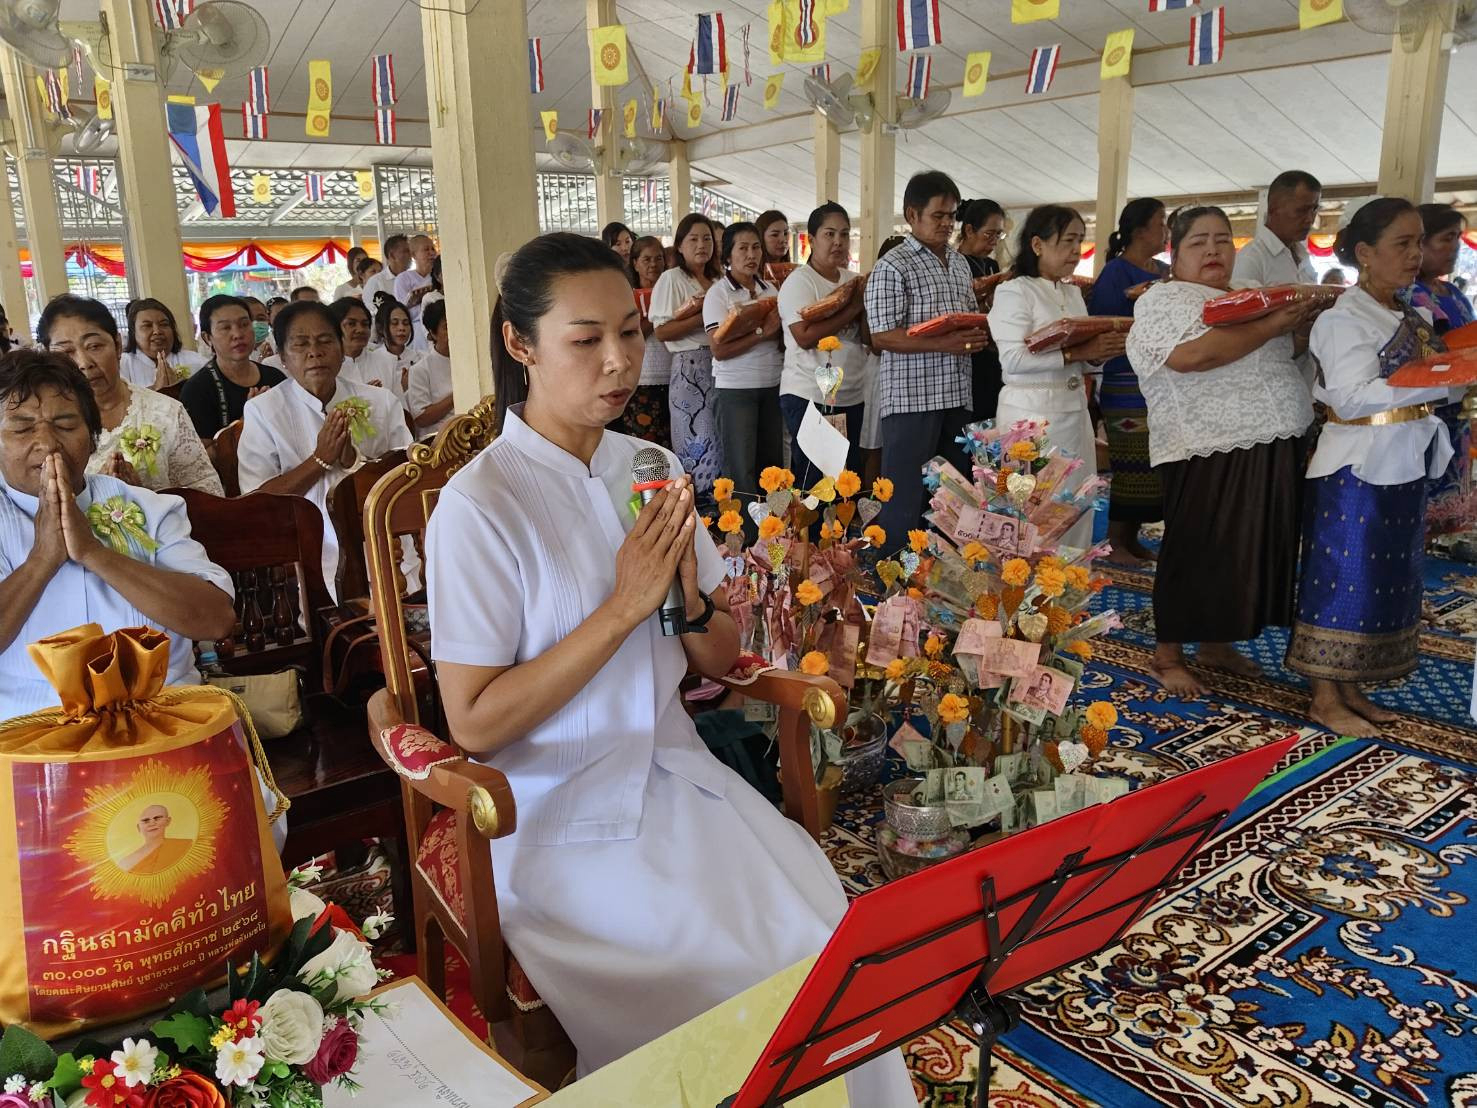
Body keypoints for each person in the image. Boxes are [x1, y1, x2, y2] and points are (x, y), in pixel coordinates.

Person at [424, 232, 916, 1104]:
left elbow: (720, 655)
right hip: (554, 817)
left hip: (674, 778)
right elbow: (474, 722)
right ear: (519, 344)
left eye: (630, 332)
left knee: (824, 944)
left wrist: (686, 602)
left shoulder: (645, 467)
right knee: (737, 978)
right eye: (585, 340)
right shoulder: (480, 506)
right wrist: (622, 607)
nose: (618, 363)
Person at [1286, 198, 1457, 736]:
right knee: (1340, 580)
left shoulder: (1405, 313)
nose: (1415, 254)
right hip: (1356, 467)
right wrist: (1446, 380)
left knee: (1385, 577)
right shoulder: (1344, 319)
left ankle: (1349, 685)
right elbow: (1353, 397)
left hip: (1402, 460)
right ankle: (1322, 697)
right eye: (1401, 244)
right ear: (1365, 252)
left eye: (1418, 242)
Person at [1126, 206, 1314, 697]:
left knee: (1245, 551)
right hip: (1204, 447)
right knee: (1199, 548)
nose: (1213, 250)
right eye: (1198, 242)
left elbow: (1273, 355)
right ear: (1174, 252)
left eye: (1223, 240)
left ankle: (1216, 643)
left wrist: (1298, 328)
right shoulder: (1164, 300)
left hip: (1270, 439)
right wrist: (1273, 327)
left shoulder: (1245, 298)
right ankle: (1167, 655)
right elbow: (1194, 356)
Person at [0, 350, 236, 717]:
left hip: (166, 720)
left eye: (65, 424)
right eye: (21, 427)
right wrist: (41, 561)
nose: (47, 443)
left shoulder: (149, 509)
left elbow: (216, 620)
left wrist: (96, 553)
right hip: (32, 738)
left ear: (94, 438)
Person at [237, 301, 412, 601]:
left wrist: (354, 462)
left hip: (385, 540)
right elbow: (257, 503)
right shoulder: (263, 412)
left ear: (341, 349)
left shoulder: (380, 402)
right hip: (308, 550)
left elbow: (408, 476)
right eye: (300, 344)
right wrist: (320, 460)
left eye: (324, 341)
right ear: (282, 358)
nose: (314, 352)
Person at [990, 205, 1124, 551]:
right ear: (1037, 245)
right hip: (1031, 415)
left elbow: (1081, 359)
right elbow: (1014, 359)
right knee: (1032, 510)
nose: (1076, 251)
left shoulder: (1073, 293)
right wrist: (1077, 353)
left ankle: (1068, 593)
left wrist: (1098, 352)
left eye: (1080, 240)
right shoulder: (1014, 291)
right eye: (1067, 241)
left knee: (1076, 506)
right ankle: (1028, 595)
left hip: (1074, 410)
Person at [865, 171, 985, 540]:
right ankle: (897, 583)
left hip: (956, 393)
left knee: (952, 493)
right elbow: (882, 335)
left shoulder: (960, 262)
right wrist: (942, 343)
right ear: (912, 215)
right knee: (905, 496)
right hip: (912, 399)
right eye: (939, 215)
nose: (948, 224)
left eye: (952, 215)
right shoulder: (893, 266)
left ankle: (941, 576)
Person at [40, 296, 222, 495]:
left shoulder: (165, 412)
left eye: (94, 346)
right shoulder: (41, 426)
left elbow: (209, 492)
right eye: (67, 352)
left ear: (117, 345)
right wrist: (95, 493)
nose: (84, 363)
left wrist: (145, 496)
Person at [1087, 198, 1168, 563]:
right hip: (1124, 377)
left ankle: (1132, 538)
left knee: (1150, 464)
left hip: (1159, 376)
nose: (1166, 231)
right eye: (1160, 223)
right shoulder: (1116, 273)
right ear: (1138, 231)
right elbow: (1102, 322)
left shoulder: (1165, 271)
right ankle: (1116, 543)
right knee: (1129, 462)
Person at [778, 202, 870, 486]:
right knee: (816, 482)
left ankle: (840, 533)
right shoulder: (799, 282)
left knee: (846, 480)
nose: (838, 242)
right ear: (812, 238)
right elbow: (804, 337)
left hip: (853, 395)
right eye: (829, 234)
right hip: (809, 396)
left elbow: (868, 339)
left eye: (844, 234)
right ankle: (811, 532)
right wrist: (852, 309)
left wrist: (864, 308)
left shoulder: (855, 281)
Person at [704, 223, 784, 513]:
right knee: (741, 468)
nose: (751, 255)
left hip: (772, 384)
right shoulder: (719, 293)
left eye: (756, 247)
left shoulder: (769, 288)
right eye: (743, 248)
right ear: (728, 255)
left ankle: (774, 534)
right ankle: (746, 540)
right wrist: (763, 331)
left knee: (772, 466)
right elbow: (719, 349)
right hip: (736, 389)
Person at [651, 214, 721, 495]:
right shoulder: (671, 279)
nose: (701, 245)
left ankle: (723, 505)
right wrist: (705, 316)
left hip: (720, 363)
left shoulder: (719, 280)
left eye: (707, 238)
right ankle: (699, 507)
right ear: (679, 245)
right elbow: (662, 330)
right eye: (693, 239)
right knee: (697, 437)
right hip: (690, 368)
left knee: (720, 435)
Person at [180, 295, 286, 441]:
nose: (237, 334)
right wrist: (246, 420)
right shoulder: (197, 390)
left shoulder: (275, 377)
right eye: (225, 328)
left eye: (244, 324)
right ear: (207, 338)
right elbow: (203, 456)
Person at [609, 235, 672, 445]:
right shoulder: (626, 297)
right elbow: (630, 334)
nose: (654, 264)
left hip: (674, 377)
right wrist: (656, 317)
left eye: (659, 258)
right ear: (635, 263)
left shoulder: (673, 292)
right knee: (646, 444)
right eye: (646, 259)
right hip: (643, 380)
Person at [955, 198, 1007, 423]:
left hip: (992, 351)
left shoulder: (992, 265)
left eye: (999, 235)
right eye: (989, 234)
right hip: (968, 352)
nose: (994, 241)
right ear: (969, 230)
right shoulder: (955, 263)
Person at [1233, 170, 1323, 289]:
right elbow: (1241, 307)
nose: (1310, 219)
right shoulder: (1251, 259)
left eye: (1314, 210)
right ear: (1273, 209)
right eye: (1301, 211)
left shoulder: (1302, 256)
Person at [121, 299, 209, 390]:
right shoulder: (122, 365)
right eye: (147, 326)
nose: (157, 331)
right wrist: (156, 388)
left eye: (164, 324)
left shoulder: (197, 362)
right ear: (133, 332)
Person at [407, 299, 454, 438]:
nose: (454, 331)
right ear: (433, 333)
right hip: (439, 440)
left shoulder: (470, 359)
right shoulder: (420, 370)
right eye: (447, 326)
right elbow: (421, 418)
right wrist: (457, 394)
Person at [331, 297, 397, 390]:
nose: (360, 330)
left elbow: (399, 403)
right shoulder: (328, 369)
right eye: (351, 324)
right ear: (334, 328)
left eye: (365, 324)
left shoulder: (386, 362)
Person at [120, 803, 194, 874]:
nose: (152, 823)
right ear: (139, 827)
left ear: (168, 821)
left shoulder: (185, 846)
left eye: (157, 818)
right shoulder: (126, 862)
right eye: (145, 821)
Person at [374, 297, 418, 404]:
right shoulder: (373, 361)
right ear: (381, 328)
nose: (401, 328)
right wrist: (400, 388)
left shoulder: (420, 358)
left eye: (406, 323)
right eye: (394, 323)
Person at [393, 234, 438, 324]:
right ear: (413, 255)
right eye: (426, 249)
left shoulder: (439, 276)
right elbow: (403, 311)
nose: (431, 253)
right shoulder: (403, 278)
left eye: (433, 249)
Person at [362, 234, 409, 313]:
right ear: (392, 255)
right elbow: (371, 312)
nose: (410, 255)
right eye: (406, 251)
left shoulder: (412, 278)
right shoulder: (375, 282)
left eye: (410, 251)